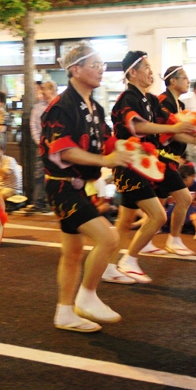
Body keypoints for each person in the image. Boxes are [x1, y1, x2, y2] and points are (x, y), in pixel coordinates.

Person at [40, 41, 133, 332]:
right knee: (108, 239)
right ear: (75, 69)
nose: (101, 70)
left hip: (79, 186)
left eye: (102, 65)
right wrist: (107, 158)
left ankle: (64, 312)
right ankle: (87, 295)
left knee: (73, 252)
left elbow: (104, 139)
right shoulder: (61, 107)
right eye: (95, 65)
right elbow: (64, 151)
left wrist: (128, 151)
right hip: (62, 187)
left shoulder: (95, 105)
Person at [103, 52, 194, 285]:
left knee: (125, 221)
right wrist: (179, 129)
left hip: (147, 164)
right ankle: (129, 260)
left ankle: (109, 266)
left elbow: (169, 124)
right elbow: (140, 126)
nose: (151, 72)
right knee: (158, 215)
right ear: (132, 72)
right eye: (146, 68)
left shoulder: (152, 100)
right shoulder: (127, 99)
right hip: (129, 164)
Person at [155, 65, 196, 255]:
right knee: (184, 198)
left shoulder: (180, 105)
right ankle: (173, 239)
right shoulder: (162, 101)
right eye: (184, 78)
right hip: (161, 159)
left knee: (158, 203)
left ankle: (149, 241)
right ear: (172, 81)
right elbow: (170, 132)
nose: (188, 81)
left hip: (170, 159)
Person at [26, 80, 57, 213]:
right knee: (39, 173)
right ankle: (38, 201)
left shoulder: (60, 105)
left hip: (59, 146)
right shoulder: (37, 107)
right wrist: (39, 142)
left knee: (56, 174)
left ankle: (53, 202)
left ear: (52, 90)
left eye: (44, 89)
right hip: (42, 146)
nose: (42, 92)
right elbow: (33, 126)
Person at [164, 164, 196, 240]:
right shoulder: (176, 186)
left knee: (188, 205)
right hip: (180, 218)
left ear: (193, 176)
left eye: (185, 180)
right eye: (181, 180)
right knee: (177, 205)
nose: (183, 183)